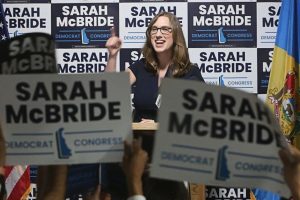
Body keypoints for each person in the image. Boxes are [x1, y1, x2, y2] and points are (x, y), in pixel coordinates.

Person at [105, 11, 204, 122]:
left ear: (176, 35)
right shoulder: (141, 66)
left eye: (165, 29)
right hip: (139, 138)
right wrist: (112, 56)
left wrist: (157, 125)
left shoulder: (190, 72)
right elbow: (110, 89)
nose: (158, 35)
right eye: (154, 29)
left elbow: (199, 116)